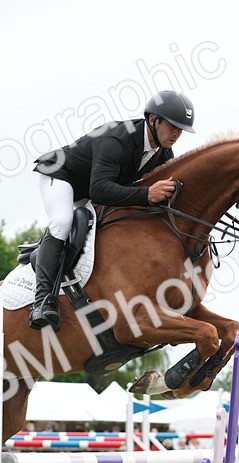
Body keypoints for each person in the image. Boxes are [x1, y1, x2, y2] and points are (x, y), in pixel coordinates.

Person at [29, 89, 196, 331]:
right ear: (153, 120)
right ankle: (43, 301)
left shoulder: (164, 154)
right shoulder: (118, 139)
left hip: (93, 188)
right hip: (62, 176)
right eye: (173, 126)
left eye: (181, 129)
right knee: (63, 221)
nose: (177, 134)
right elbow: (99, 190)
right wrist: (147, 194)